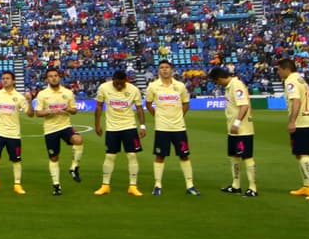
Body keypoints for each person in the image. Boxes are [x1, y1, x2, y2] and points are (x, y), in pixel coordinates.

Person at [145, 61, 199, 196]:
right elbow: (148, 104)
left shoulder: (180, 86)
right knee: (160, 156)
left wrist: (179, 116)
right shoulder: (153, 86)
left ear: (172, 70)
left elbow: (186, 104)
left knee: (184, 155)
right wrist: (157, 116)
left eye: (167, 68)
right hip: (162, 127)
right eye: (162, 68)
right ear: (158, 71)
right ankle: (157, 185)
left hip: (178, 127)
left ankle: (190, 185)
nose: (164, 70)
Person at [278, 58, 309, 201]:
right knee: (300, 154)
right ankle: (307, 186)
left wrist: (292, 121)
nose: (278, 72)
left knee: (303, 154)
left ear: (286, 69)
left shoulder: (290, 81)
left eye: (279, 69)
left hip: (301, 122)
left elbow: (296, 101)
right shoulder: (301, 79)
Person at [93, 70, 146, 196]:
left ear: (126, 80)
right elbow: (99, 106)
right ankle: (105, 185)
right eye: (116, 83)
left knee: (132, 155)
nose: (119, 86)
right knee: (110, 156)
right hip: (112, 128)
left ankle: (133, 186)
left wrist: (142, 126)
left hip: (130, 127)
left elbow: (139, 108)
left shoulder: (133, 90)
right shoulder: (104, 88)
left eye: (121, 84)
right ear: (113, 80)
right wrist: (97, 124)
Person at [33, 67, 84, 196]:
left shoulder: (67, 92)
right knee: (54, 157)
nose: (53, 78)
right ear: (47, 79)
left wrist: (67, 109)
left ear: (59, 77)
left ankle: (74, 167)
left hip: (65, 126)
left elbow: (74, 110)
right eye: (50, 76)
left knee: (78, 140)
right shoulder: (43, 94)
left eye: (55, 75)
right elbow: (38, 113)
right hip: (50, 129)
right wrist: (50, 111)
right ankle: (56, 185)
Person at [209, 66, 257, 197]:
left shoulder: (236, 85)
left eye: (216, 81)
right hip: (233, 129)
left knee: (246, 156)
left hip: (243, 129)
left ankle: (253, 188)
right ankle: (236, 185)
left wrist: (237, 123)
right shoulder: (230, 87)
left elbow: (244, 105)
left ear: (219, 78)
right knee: (234, 156)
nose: (217, 84)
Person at [0, 72, 27, 194]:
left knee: (16, 160)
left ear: (13, 81)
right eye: (3, 78)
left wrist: (29, 101)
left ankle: (17, 184)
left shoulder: (19, 97)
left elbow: (29, 113)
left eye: (7, 78)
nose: (5, 80)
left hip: (14, 134)